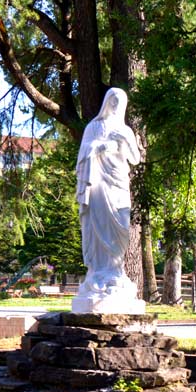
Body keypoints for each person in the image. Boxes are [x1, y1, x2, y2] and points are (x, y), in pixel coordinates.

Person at [71, 87, 144, 313]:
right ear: (106, 102)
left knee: (121, 224)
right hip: (98, 184)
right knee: (96, 226)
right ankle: (98, 271)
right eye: (112, 100)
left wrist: (123, 138)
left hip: (119, 184)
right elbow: (82, 155)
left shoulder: (125, 130)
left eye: (119, 101)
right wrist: (99, 146)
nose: (115, 105)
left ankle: (115, 271)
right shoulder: (94, 126)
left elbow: (135, 159)